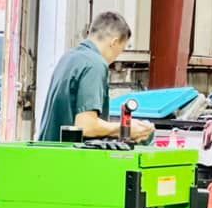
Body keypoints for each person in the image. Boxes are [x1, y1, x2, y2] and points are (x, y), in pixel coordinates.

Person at [37, 11, 154, 142]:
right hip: (68, 154)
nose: (117, 57)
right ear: (114, 43)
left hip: (47, 150)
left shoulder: (69, 58)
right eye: (121, 50)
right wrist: (125, 128)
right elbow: (86, 126)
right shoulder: (95, 64)